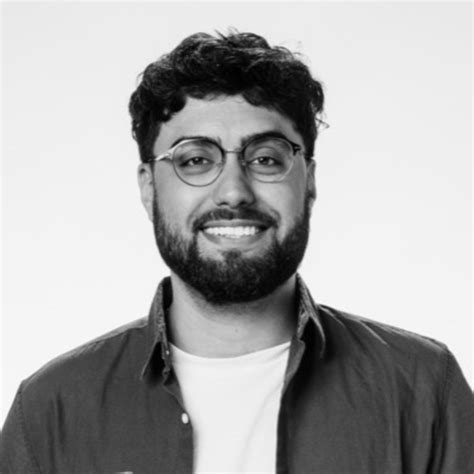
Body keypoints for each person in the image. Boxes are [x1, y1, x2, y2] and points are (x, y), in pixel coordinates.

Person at [1, 30, 473, 474]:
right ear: (148, 188)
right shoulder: (50, 412)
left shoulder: (423, 390)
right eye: (195, 160)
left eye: (265, 158)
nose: (232, 192)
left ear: (308, 182)